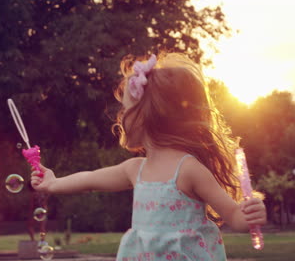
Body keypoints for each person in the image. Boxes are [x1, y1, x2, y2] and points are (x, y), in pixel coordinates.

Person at [31, 53, 267, 261]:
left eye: (125, 110)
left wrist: (249, 214)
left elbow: (234, 216)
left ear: (147, 115)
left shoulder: (188, 170)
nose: (120, 118)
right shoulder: (135, 169)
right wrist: (53, 183)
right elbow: (90, 179)